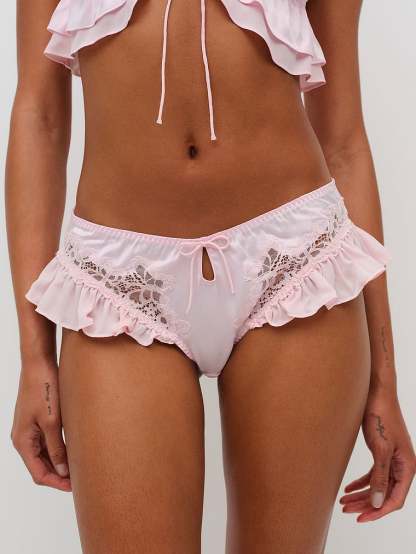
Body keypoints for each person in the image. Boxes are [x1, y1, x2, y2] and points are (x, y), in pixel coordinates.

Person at [6, 1, 415, 553]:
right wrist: (34, 357)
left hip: (295, 264)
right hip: (117, 281)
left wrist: (385, 380)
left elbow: (343, 140)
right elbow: (39, 119)